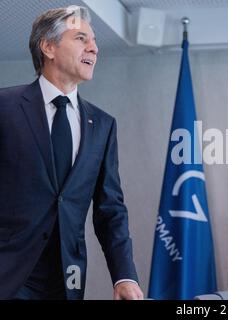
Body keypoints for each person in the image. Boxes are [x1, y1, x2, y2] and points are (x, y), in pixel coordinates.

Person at [0, 6, 144, 300]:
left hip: (67, 279)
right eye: (81, 38)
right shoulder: (5, 107)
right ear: (48, 46)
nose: (94, 47)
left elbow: (110, 210)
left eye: (94, 40)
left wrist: (124, 276)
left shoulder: (103, 125)